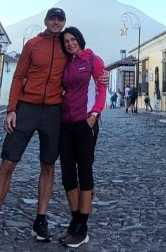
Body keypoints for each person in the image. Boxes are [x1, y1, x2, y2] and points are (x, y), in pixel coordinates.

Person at [0, 7, 69, 247]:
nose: (56, 23)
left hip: (53, 112)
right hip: (26, 108)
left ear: (64, 22)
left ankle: (41, 220)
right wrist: (11, 109)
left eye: (60, 19)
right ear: (46, 20)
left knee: (48, 165)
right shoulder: (33, 44)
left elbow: (85, 62)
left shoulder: (67, 45)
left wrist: (101, 77)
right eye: (52, 18)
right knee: (8, 163)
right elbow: (18, 76)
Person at [57, 26, 106, 248]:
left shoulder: (93, 60)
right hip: (66, 125)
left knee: (84, 172)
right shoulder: (67, 63)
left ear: (79, 39)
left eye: (73, 39)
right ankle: (75, 221)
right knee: (68, 174)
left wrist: (94, 115)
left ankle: (82, 226)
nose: (70, 43)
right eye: (66, 41)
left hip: (85, 124)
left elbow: (101, 89)